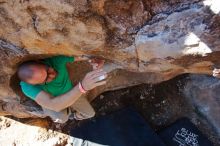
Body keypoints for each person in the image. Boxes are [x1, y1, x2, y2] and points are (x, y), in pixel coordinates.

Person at [17, 55, 107, 123]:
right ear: (36, 84)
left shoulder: (55, 61)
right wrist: (82, 87)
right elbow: (54, 105)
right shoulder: (27, 87)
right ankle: (44, 110)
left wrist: (96, 60)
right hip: (52, 100)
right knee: (62, 119)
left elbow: (84, 55)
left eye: (48, 70)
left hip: (71, 93)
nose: (52, 75)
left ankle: (74, 116)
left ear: (41, 62)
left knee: (90, 114)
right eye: (46, 79)